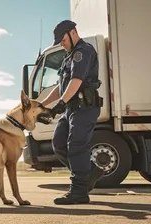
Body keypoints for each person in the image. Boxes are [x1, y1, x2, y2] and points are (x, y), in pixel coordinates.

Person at [40, 20, 104, 204]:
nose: (62, 43)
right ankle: (90, 172)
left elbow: (76, 80)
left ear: (72, 33)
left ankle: (79, 191)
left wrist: (60, 103)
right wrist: (43, 105)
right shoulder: (68, 56)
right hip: (71, 108)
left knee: (76, 145)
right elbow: (61, 86)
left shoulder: (83, 51)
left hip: (84, 107)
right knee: (59, 144)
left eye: (63, 39)